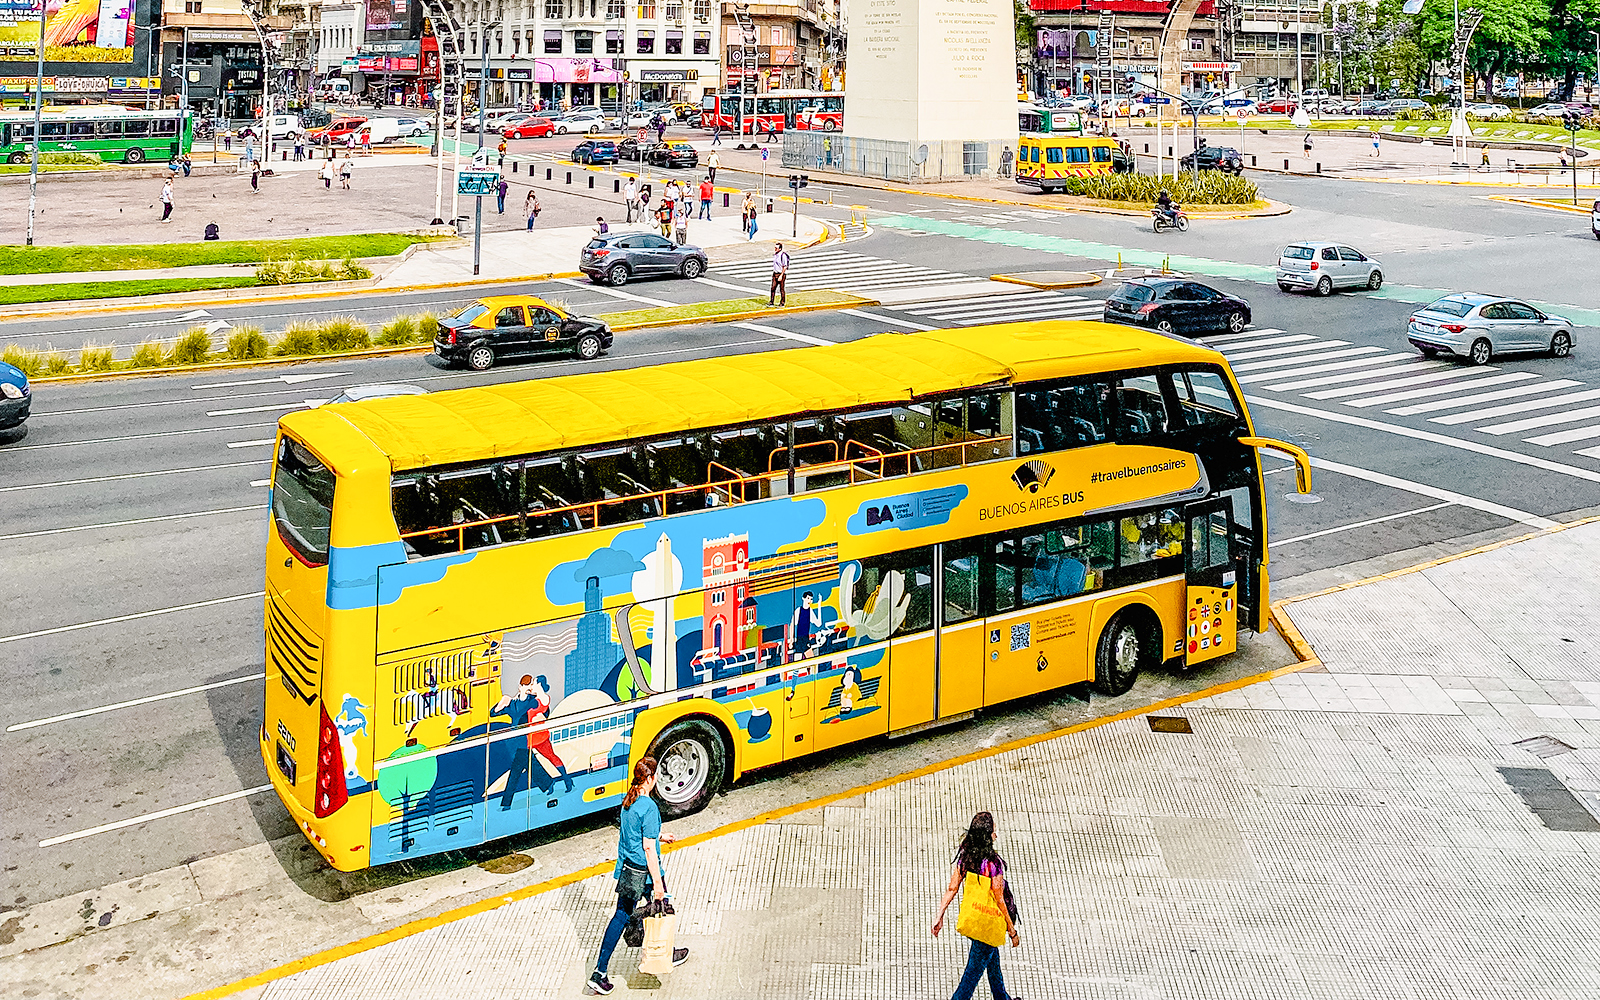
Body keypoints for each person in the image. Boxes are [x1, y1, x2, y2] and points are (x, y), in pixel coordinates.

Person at [585, 757, 688, 995]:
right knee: (663, 908)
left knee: (620, 917)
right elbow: (648, 848)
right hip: (647, 873)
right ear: (650, 779)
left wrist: (661, 836)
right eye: (656, 777)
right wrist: (658, 885)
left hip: (629, 869)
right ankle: (665, 953)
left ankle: (600, 972)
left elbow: (635, 834)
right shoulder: (649, 807)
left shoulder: (628, 801)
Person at [931, 811, 1020, 1000]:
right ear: (987, 837)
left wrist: (939, 915)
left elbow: (952, 888)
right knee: (969, 981)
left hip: (973, 920)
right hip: (988, 924)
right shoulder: (994, 864)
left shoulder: (966, 858)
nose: (996, 835)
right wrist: (1012, 931)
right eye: (993, 832)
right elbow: (999, 899)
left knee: (992, 962)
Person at [491, 675, 573, 806]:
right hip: (524, 739)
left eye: (532, 684)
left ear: (538, 685)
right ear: (520, 687)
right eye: (528, 685)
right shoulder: (516, 702)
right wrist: (503, 703)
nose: (530, 687)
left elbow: (541, 711)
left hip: (537, 736)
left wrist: (518, 700)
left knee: (548, 758)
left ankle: (565, 781)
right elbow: (494, 713)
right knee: (526, 766)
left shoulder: (534, 700)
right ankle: (548, 783)